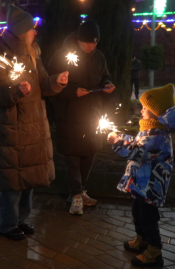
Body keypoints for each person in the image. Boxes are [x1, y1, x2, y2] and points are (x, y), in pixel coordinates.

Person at [0, 5, 68, 241]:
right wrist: (16, 90)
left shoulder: (33, 52)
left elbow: (43, 83)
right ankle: (6, 224)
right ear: (22, 31)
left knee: (29, 177)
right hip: (12, 127)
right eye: (32, 29)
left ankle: (20, 220)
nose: (35, 32)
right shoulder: (1, 55)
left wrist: (57, 82)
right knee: (13, 179)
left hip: (32, 125)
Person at [107, 84, 175, 268]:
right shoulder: (150, 129)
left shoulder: (158, 135)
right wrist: (121, 136)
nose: (141, 109)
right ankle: (141, 240)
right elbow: (137, 143)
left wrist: (117, 142)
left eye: (145, 107)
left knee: (148, 218)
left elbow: (137, 152)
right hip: (141, 185)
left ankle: (154, 251)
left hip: (151, 186)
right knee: (137, 212)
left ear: (156, 112)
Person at [48, 19, 115, 215]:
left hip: (92, 115)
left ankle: (80, 191)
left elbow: (105, 75)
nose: (91, 46)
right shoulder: (62, 57)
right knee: (73, 158)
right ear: (78, 39)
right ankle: (75, 195)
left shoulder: (99, 57)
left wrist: (108, 83)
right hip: (70, 116)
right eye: (87, 42)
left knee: (89, 154)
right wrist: (72, 92)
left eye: (94, 43)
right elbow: (50, 86)